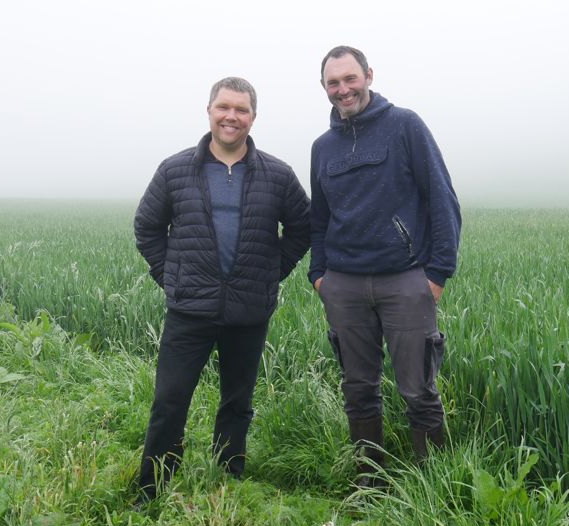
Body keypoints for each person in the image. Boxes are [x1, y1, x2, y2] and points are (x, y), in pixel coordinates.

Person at [133, 76, 311, 502]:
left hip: (249, 310)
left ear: (253, 116)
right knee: (170, 401)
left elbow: (303, 228)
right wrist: (172, 277)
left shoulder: (277, 174)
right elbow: (147, 227)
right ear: (209, 110)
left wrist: (269, 274)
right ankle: (152, 488)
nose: (232, 117)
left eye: (242, 109)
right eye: (224, 107)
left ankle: (227, 480)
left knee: (237, 402)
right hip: (189, 310)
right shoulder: (176, 170)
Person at [309, 46, 462, 485]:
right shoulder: (323, 148)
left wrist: (436, 276)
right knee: (358, 390)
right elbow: (319, 218)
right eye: (333, 83)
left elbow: (442, 198)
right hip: (344, 286)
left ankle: (433, 486)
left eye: (350, 79)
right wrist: (320, 276)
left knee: (419, 390)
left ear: (369, 76)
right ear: (324, 88)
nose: (343, 89)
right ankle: (369, 480)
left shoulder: (405, 126)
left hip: (406, 283)